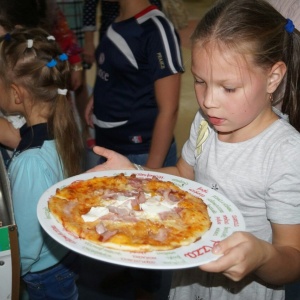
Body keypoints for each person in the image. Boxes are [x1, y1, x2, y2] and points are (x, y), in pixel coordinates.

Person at [88, 0, 300, 299]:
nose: (209, 101)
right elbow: (182, 174)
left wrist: (262, 256)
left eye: (228, 88)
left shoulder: (285, 152)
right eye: (200, 82)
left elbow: (292, 258)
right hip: (189, 282)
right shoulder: (205, 123)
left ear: (273, 77)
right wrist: (132, 172)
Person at [0, 27, 84, 299]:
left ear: (16, 93)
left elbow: (25, 247)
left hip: (44, 275)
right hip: (61, 259)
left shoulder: (29, 163)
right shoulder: (63, 127)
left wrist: (8, 275)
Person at [85, 0, 183, 169]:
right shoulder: (117, 21)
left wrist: (149, 174)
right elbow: (116, 68)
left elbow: (169, 110)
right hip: (110, 148)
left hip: (140, 154)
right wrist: (97, 96)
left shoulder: (157, 30)